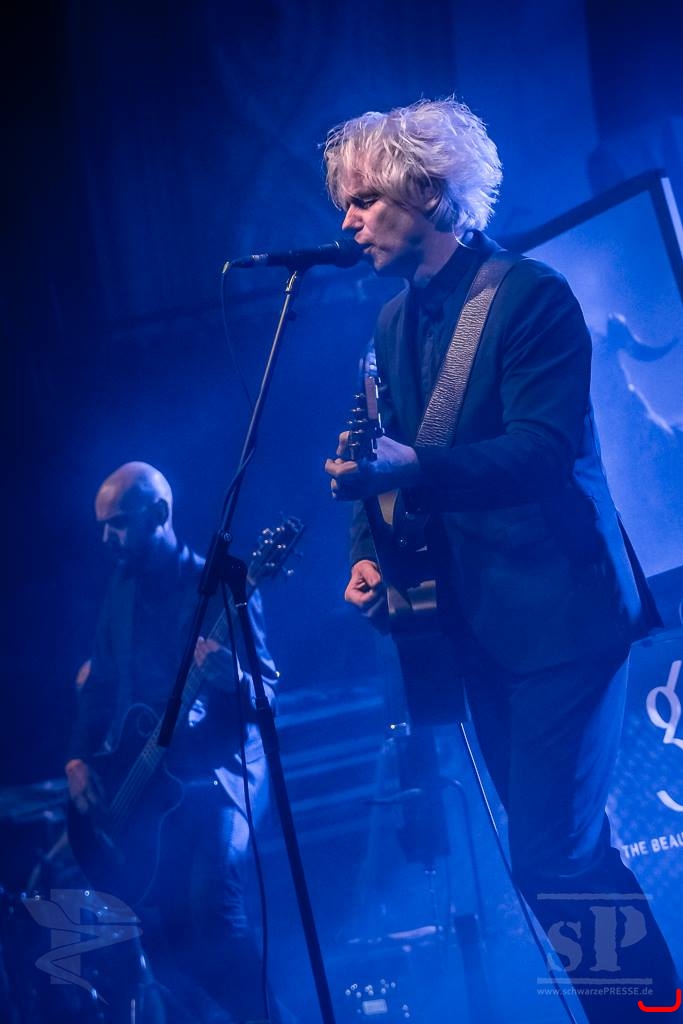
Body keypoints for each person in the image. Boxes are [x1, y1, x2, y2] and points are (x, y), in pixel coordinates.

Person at [323, 98, 680, 1022]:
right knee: (567, 856)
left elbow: (541, 450)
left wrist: (412, 467)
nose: (347, 222)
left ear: (427, 192)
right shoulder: (391, 328)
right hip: (475, 625)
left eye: (363, 200)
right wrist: (367, 551)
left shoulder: (528, 296)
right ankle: (644, 1009)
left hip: (562, 615)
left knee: (551, 857)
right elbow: (377, 461)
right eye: (344, 205)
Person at [65, 461, 281, 1023]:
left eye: (118, 523)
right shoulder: (121, 589)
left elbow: (266, 692)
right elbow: (101, 684)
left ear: (160, 513)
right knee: (166, 936)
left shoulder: (222, 586)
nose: (107, 539)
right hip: (158, 782)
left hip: (221, 777)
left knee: (214, 918)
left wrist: (232, 679)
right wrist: (78, 758)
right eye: (102, 526)